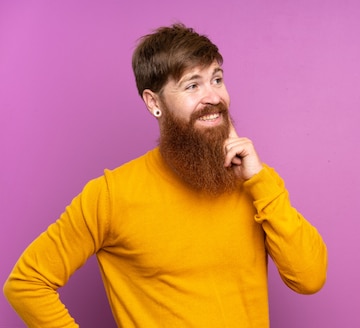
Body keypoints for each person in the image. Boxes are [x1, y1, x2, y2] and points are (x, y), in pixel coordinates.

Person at [3, 23, 327, 327]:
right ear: (154, 102)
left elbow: (309, 278)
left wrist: (259, 181)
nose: (213, 97)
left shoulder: (256, 181)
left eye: (217, 79)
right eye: (192, 85)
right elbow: (26, 283)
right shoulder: (111, 195)